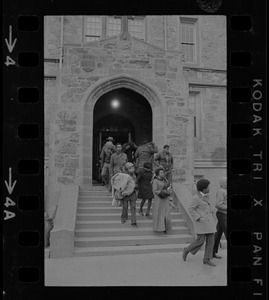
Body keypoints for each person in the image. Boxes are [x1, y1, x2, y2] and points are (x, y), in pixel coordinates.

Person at [182, 179, 217, 267]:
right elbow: (191, 209)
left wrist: (215, 213)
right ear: (204, 188)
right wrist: (199, 218)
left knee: (211, 240)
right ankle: (186, 250)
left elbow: (210, 207)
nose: (209, 188)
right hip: (202, 222)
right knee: (200, 241)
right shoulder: (196, 198)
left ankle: (206, 259)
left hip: (209, 222)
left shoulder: (207, 196)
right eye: (208, 186)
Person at [152, 168, 172, 233]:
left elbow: (168, 187)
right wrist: (162, 192)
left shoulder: (165, 180)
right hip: (159, 199)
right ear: (158, 173)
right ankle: (159, 228)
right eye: (161, 172)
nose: (162, 173)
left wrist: (168, 191)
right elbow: (155, 190)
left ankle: (166, 228)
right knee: (159, 214)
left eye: (163, 172)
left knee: (166, 214)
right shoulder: (155, 181)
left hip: (165, 199)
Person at [213, 176, 227, 259]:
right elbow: (218, 205)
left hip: (224, 214)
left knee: (218, 234)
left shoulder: (225, 191)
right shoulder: (221, 191)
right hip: (222, 214)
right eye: (225, 183)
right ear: (221, 184)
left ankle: (212, 252)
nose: (227, 184)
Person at [120, 162, 138, 227]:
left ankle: (134, 222)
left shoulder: (134, 175)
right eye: (131, 168)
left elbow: (136, 183)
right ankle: (123, 217)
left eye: (133, 168)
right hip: (125, 194)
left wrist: (135, 186)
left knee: (133, 207)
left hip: (133, 193)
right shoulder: (124, 176)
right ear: (127, 169)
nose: (132, 169)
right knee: (125, 207)